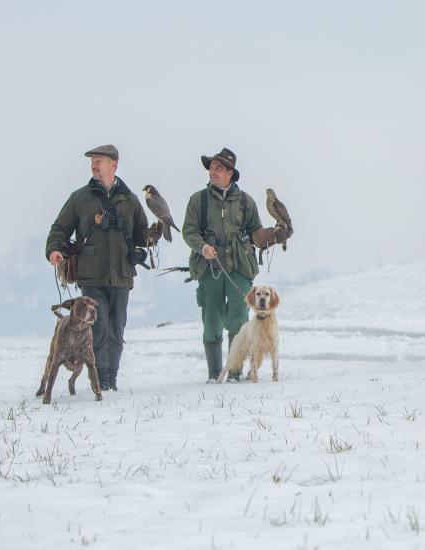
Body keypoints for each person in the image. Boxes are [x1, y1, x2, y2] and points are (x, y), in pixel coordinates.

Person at [46, 144, 159, 391]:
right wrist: (55, 249)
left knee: (117, 329)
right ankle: (100, 381)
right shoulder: (80, 198)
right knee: (99, 327)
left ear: (114, 165)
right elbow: (60, 229)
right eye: (93, 162)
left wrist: (154, 234)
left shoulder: (130, 200)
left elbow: (141, 235)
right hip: (91, 275)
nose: (94, 166)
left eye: (99, 161)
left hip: (121, 275)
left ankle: (111, 380)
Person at [182, 148, 284, 382]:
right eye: (211, 168)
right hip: (209, 266)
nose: (212, 172)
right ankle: (214, 374)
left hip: (239, 267)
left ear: (230, 173)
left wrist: (273, 234)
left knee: (238, 320)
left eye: (218, 168)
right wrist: (202, 246)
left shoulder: (246, 201)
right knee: (212, 319)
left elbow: (256, 233)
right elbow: (188, 231)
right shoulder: (199, 200)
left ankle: (235, 373)